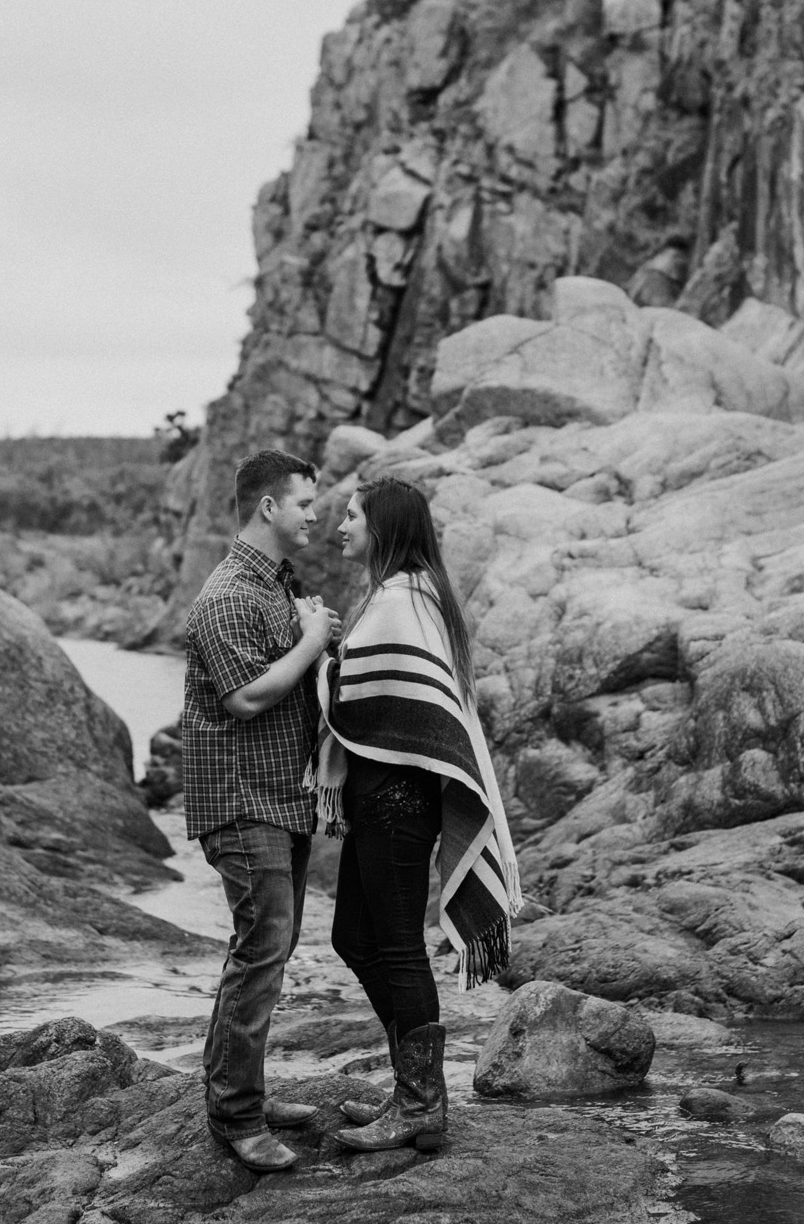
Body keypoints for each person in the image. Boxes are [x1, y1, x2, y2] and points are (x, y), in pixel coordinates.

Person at [311, 476, 523, 1154]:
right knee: (353, 937)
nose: (341, 525)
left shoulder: (404, 601)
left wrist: (316, 652)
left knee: (398, 946)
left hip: (398, 803)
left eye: (352, 516)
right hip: (383, 799)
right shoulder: (402, 594)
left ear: (385, 527)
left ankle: (422, 1105)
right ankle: (411, 1086)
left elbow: (356, 698)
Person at [181, 448, 342, 1172]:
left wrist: (309, 631)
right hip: (243, 802)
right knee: (263, 951)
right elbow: (245, 697)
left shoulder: (275, 586)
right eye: (306, 502)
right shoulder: (225, 596)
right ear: (269, 507)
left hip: (284, 798)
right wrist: (312, 641)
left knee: (262, 952)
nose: (318, 513)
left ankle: (237, 1093)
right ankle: (238, 1119)